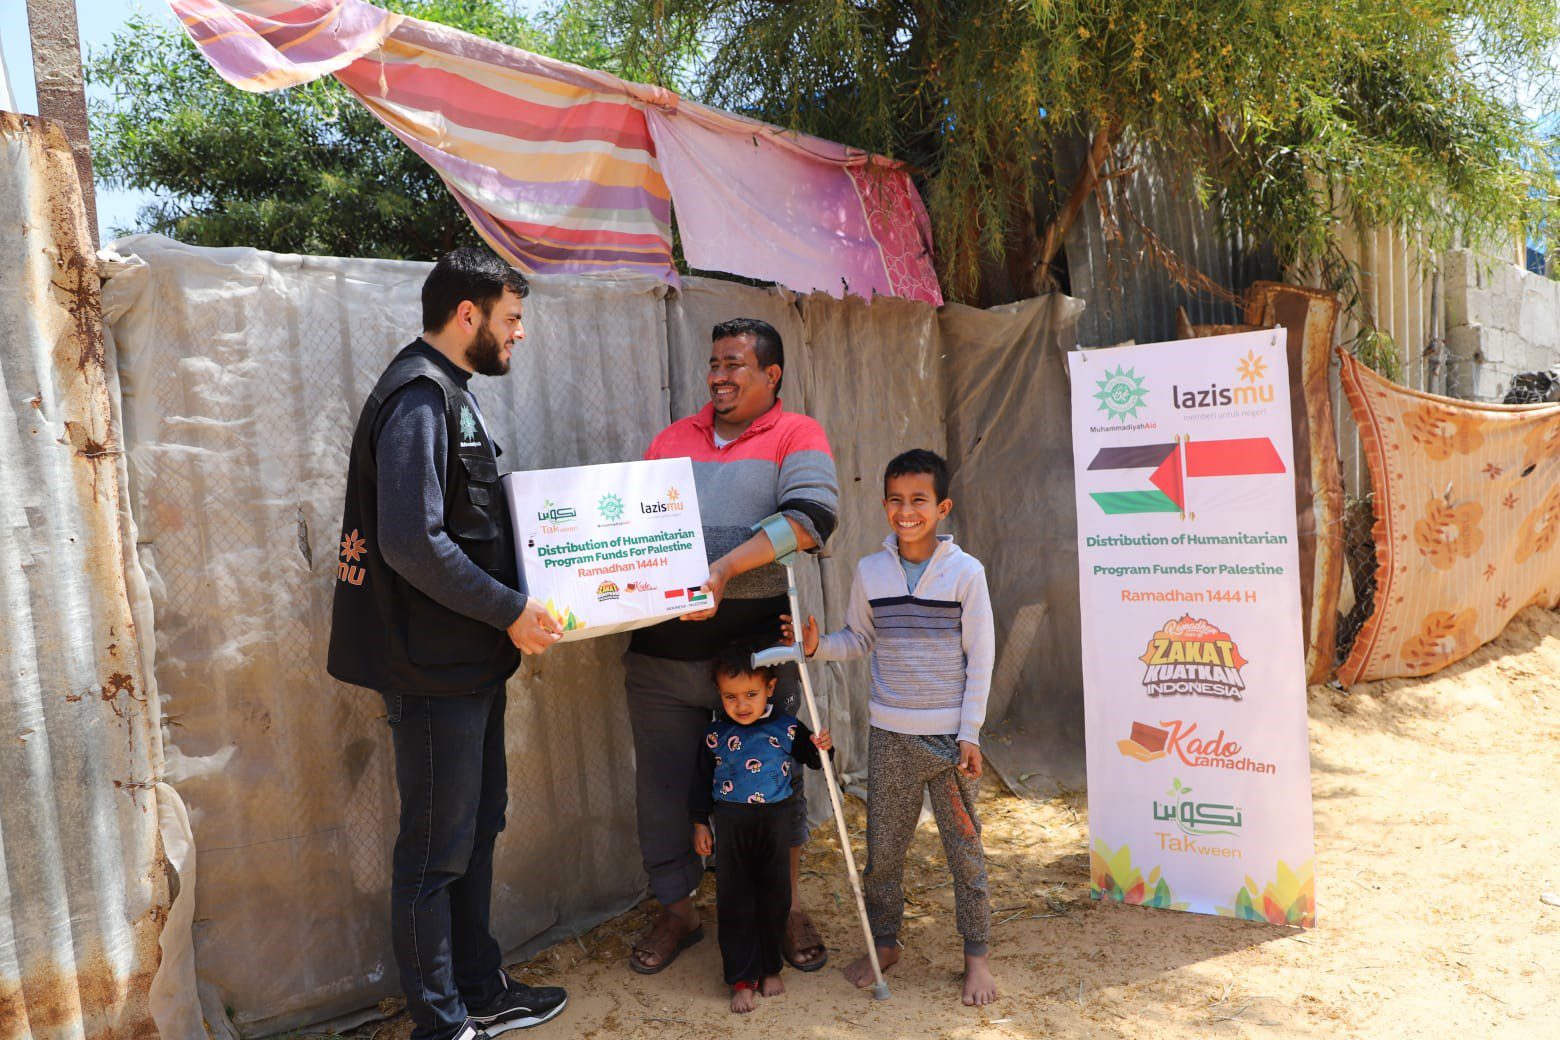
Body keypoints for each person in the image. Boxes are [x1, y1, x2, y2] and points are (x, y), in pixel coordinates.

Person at [327, 247, 569, 1040]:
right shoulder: (419, 398)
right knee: (435, 852)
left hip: (468, 661)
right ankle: (440, 1022)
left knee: (476, 828)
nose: (519, 333)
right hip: (431, 669)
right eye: (512, 318)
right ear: (469, 315)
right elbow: (412, 543)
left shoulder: (449, 392)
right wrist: (511, 610)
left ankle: (477, 987)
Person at [624, 317, 840, 975]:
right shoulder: (670, 441)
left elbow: (811, 520)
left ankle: (786, 907)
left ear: (772, 375)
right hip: (661, 656)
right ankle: (678, 911)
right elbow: (629, 533)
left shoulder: (797, 434)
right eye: (714, 363)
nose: (718, 376)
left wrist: (723, 570)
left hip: (758, 663)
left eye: (734, 364)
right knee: (664, 789)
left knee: (776, 783)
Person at [787, 448, 999, 1006]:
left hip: (948, 742)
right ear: (884, 505)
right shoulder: (871, 571)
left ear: (942, 507)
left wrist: (971, 733)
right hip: (889, 737)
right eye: (896, 501)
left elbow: (981, 657)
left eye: (919, 500)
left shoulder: (966, 573)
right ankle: (885, 945)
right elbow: (859, 639)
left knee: (965, 851)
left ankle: (976, 958)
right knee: (883, 853)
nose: (907, 511)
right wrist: (817, 646)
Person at [689, 645, 834, 1013]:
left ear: (770, 688)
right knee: (735, 901)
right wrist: (700, 823)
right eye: (730, 697)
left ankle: (770, 967)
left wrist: (823, 747)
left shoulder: (786, 728)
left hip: (775, 826)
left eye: (751, 694)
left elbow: (815, 761)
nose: (741, 705)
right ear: (719, 694)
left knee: (774, 897)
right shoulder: (715, 734)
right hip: (732, 828)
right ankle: (741, 979)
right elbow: (700, 782)